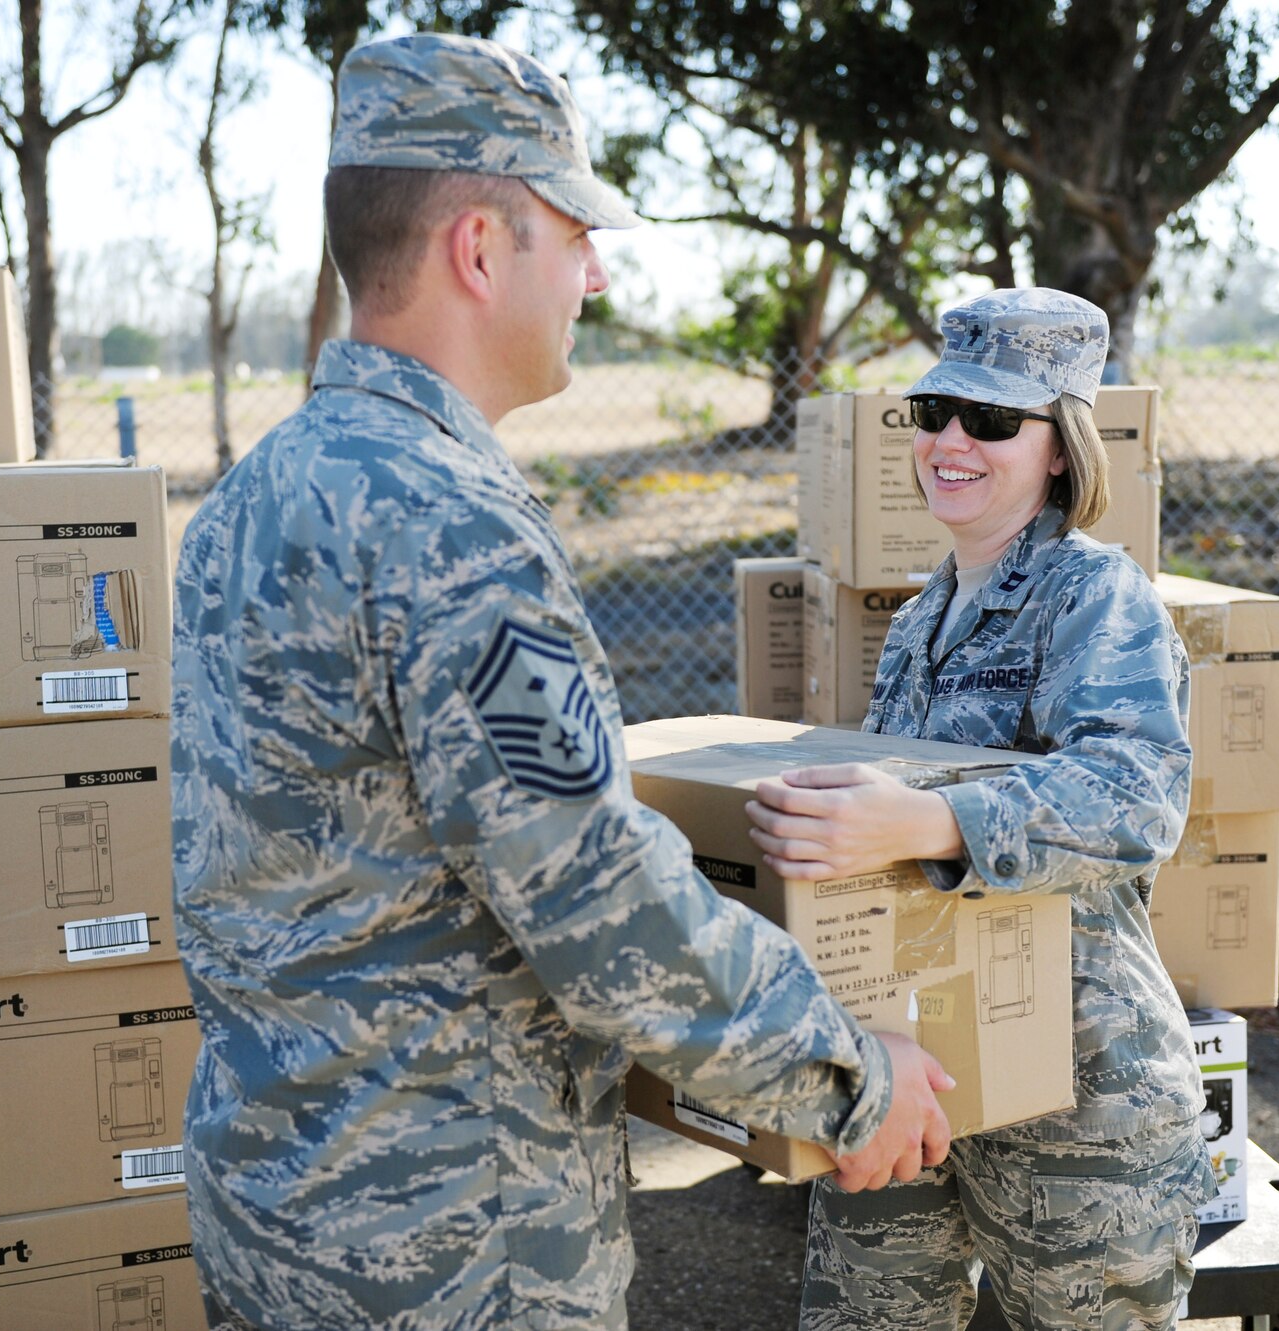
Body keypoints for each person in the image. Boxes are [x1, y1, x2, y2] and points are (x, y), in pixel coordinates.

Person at [170, 33, 952, 1331]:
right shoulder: (447, 522)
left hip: (276, 1212)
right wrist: (851, 1076)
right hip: (454, 1248)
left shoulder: (254, 495)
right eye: (574, 230)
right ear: (480, 249)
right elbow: (593, 896)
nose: (598, 269)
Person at [745, 288, 1217, 1331]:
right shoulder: (921, 614)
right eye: (934, 414)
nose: (951, 440)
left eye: (992, 420)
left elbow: (1136, 797)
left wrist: (927, 824)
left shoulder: (1095, 595)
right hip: (917, 1066)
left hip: (1078, 1095)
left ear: (1058, 448)